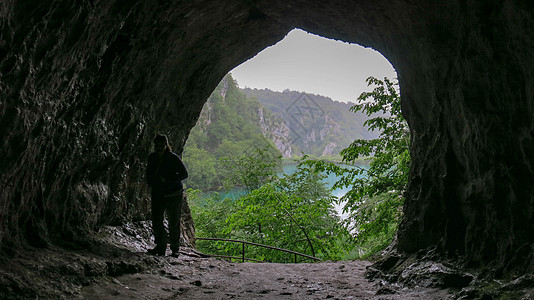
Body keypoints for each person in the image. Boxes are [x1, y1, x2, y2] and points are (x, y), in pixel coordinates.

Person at [146, 134, 188, 257]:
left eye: (161, 145)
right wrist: (151, 182)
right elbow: (149, 173)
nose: (159, 147)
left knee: (173, 221)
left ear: (166, 145)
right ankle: (161, 246)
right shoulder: (152, 158)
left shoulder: (173, 158)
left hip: (173, 194)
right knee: (157, 221)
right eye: (157, 145)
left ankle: (175, 249)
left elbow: (184, 174)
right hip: (158, 193)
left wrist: (168, 179)